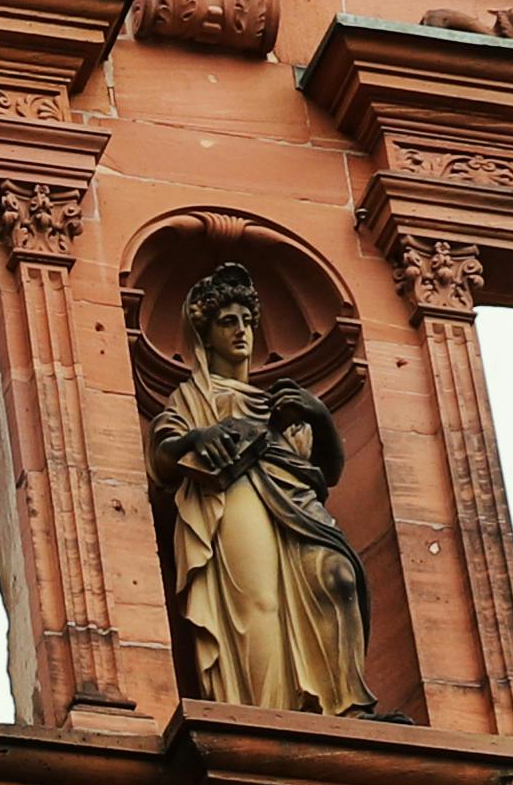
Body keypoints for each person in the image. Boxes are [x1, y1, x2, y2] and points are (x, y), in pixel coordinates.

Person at [154, 259, 371, 715]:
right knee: (259, 606)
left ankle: (346, 706)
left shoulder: (280, 403)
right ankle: (265, 714)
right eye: (227, 322)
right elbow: (164, 454)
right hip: (235, 499)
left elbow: (325, 473)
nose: (241, 332)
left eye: (248, 322)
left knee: (339, 578)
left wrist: (321, 417)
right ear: (205, 333)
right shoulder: (195, 397)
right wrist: (199, 437)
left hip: (298, 507)